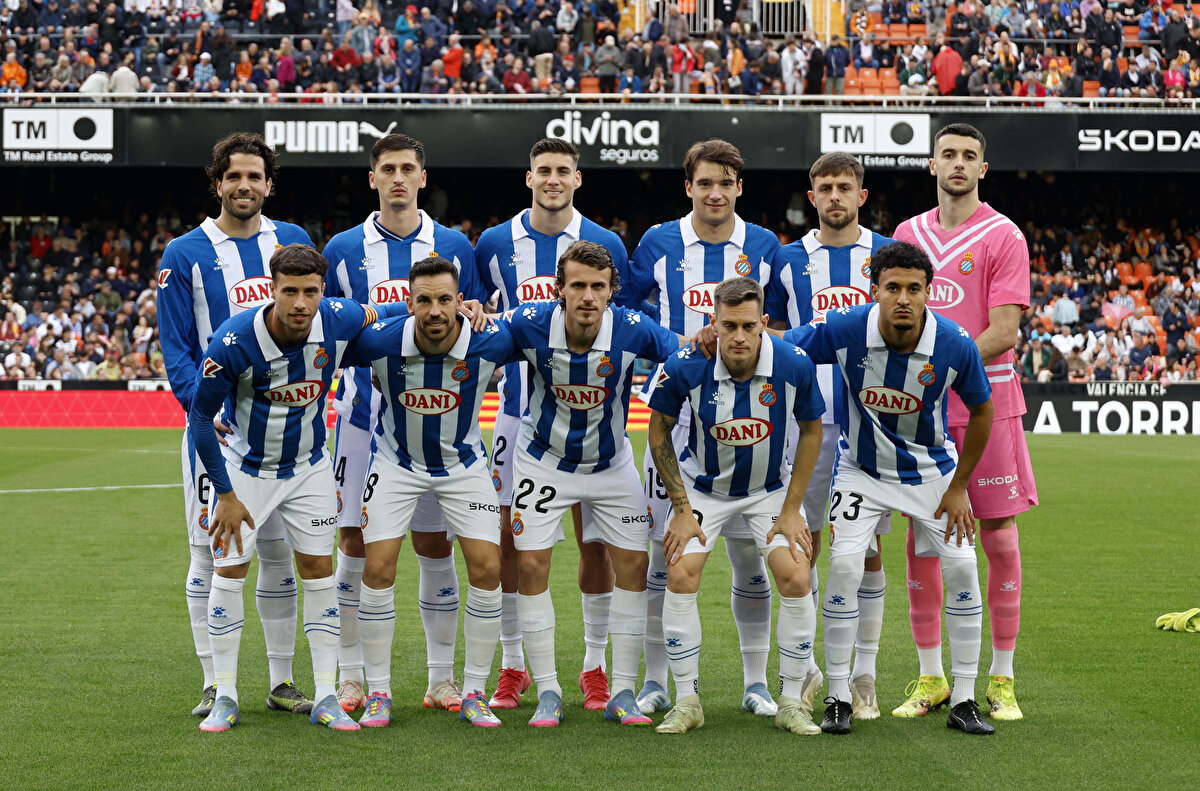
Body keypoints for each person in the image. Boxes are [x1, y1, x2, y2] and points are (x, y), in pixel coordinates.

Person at [187, 243, 403, 732]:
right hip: (246, 469)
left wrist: (453, 306)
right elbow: (200, 418)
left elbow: (387, 309)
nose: (301, 303)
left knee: (318, 572)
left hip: (309, 469)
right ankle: (225, 694)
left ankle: (326, 694)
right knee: (230, 569)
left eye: (310, 292)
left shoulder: (339, 317)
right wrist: (225, 494)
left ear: (322, 291)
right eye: (290, 292)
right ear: (272, 290)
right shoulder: (233, 341)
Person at [786, 241, 995, 736]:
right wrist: (728, 333)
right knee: (841, 566)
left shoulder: (954, 343)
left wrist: (960, 486)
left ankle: (964, 698)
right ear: (875, 289)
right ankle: (839, 695)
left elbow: (982, 410)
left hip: (932, 474)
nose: (904, 298)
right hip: (862, 472)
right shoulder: (843, 330)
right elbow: (785, 344)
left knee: (964, 568)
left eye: (914, 289)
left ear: (929, 293)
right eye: (893, 288)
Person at [320, 133, 485, 716]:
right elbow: (334, 327)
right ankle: (352, 675)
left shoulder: (453, 246)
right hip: (364, 422)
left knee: (435, 541)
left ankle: (442, 679)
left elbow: (475, 317)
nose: (396, 178)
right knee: (354, 542)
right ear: (372, 179)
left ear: (422, 176)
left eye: (407, 168)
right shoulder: (342, 249)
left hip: (439, 425)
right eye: (386, 168)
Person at [472, 138, 635, 712]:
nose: (553, 179)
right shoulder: (494, 243)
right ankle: (513, 666)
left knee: (599, 547)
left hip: (597, 426)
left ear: (578, 178)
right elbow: (478, 315)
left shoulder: (606, 243)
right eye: (543, 170)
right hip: (520, 419)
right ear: (529, 176)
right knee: (514, 547)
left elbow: (625, 323)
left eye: (563, 170)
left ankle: (595, 667)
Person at [624, 139, 784, 719]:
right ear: (688, 186)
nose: (715, 193)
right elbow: (631, 311)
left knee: (749, 557)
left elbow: (787, 322)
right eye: (704, 182)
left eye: (726, 182)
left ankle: (757, 682)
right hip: (673, 417)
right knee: (663, 556)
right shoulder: (658, 244)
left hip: (751, 422)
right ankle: (659, 681)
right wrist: (678, 345)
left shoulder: (765, 247)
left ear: (739, 188)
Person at [157, 132, 315, 719]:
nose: (244, 186)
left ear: (269, 185)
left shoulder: (292, 241)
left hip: (282, 431)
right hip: (218, 434)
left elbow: (316, 320)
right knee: (209, 554)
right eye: (233, 176)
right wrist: (205, 408)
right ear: (217, 182)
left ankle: (281, 682)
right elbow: (175, 347)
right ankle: (211, 680)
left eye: (255, 176)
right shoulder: (185, 253)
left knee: (277, 554)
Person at [501, 241, 682, 727]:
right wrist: (472, 314)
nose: (587, 296)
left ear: (611, 292)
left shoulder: (630, 327)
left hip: (611, 463)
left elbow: (680, 351)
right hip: (543, 462)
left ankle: (619, 688)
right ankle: (548, 691)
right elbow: (473, 340)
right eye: (577, 285)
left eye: (597, 287)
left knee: (633, 565)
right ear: (558, 289)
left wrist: (707, 342)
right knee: (532, 562)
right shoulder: (528, 322)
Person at [893, 123, 1037, 720]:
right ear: (931, 165)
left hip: (986, 405)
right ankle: (931, 677)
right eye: (947, 154)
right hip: (919, 410)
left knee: (998, 535)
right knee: (921, 538)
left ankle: (1000, 678)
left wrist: (943, 368)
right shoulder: (908, 233)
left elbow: (1005, 331)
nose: (957, 163)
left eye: (968, 156)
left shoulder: (1004, 235)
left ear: (983, 167)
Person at [646, 277, 824, 736]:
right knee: (681, 570)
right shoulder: (685, 364)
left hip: (769, 489)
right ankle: (686, 701)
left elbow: (811, 431)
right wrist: (682, 510)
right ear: (714, 323)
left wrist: (790, 509)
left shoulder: (793, 363)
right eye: (729, 326)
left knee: (796, 573)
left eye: (749, 325)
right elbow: (659, 429)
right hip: (703, 489)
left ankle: (790, 702)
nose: (739, 336)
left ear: (764, 323)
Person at [344, 256, 516, 729]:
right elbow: (320, 342)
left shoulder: (492, 339)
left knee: (487, 567)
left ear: (461, 302)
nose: (436, 310)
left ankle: (473, 691)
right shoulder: (380, 341)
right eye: (425, 300)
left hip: (464, 467)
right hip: (396, 464)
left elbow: (545, 331)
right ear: (409, 302)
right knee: (377, 569)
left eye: (445, 300)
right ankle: (378, 692)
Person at [763, 152, 896, 720]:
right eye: (825, 187)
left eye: (846, 186)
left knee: (866, 548)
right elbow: (771, 332)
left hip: (873, 419)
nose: (836, 196)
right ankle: (813, 665)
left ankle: (863, 671)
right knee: (803, 539)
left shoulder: (885, 255)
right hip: (807, 420)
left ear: (861, 195)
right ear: (811, 196)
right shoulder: (788, 260)